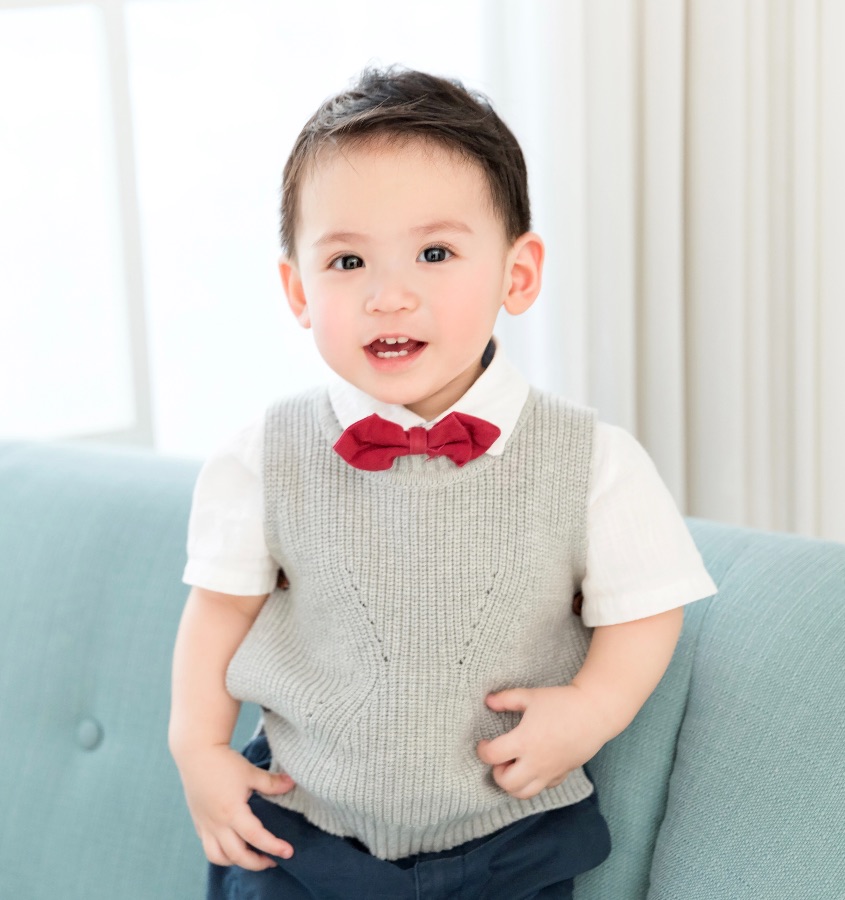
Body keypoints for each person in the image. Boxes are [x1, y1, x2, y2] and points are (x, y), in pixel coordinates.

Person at [169, 66, 717, 899]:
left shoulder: (590, 461)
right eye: (347, 260)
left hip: (509, 836)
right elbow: (218, 611)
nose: (389, 295)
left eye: (434, 253)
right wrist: (198, 749)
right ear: (298, 291)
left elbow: (646, 606)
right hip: (301, 829)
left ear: (516, 275)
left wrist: (591, 709)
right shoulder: (263, 458)